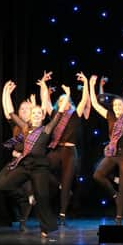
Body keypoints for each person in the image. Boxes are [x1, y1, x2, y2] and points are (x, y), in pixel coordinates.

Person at [0, 80, 67, 237]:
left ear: (42, 117)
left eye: (38, 114)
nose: (35, 115)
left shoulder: (46, 129)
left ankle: (45, 227)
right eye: (33, 113)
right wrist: (6, 92)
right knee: (4, 184)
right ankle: (26, 197)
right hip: (25, 164)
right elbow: (11, 113)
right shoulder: (25, 127)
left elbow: (59, 116)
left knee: (42, 197)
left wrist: (67, 96)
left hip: (40, 167)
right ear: (31, 116)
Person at [90, 71, 123, 224]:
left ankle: (119, 217)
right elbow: (94, 104)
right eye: (115, 105)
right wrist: (91, 85)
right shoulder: (110, 115)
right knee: (97, 175)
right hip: (112, 153)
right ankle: (114, 195)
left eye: (120, 105)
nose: (117, 107)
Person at [46, 72, 89, 225]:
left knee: (66, 183)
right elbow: (45, 101)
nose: (65, 103)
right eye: (62, 100)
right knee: (42, 169)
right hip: (56, 150)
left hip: (70, 152)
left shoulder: (75, 114)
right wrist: (44, 85)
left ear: (70, 103)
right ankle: (55, 184)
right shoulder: (54, 114)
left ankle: (62, 214)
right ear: (59, 104)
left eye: (67, 100)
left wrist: (85, 83)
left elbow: (84, 100)